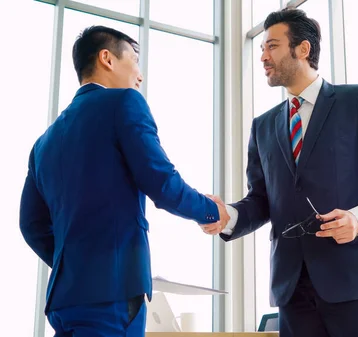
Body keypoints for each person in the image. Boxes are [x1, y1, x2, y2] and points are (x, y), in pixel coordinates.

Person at [202, 8, 358, 337]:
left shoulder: (356, 100)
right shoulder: (263, 126)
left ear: (302, 49)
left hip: (355, 281)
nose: (262, 56)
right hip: (292, 289)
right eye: (261, 48)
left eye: (271, 46)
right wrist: (228, 215)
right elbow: (262, 199)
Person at [19, 25, 229, 337]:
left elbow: (31, 225)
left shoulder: (43, 142)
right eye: (134, 59)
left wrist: (79, 264)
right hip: (111, 300)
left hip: (65, 301)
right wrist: (212, 211)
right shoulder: (123, 103)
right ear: (107, 58)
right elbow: (161, 181)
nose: (139, 75)